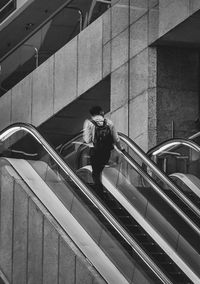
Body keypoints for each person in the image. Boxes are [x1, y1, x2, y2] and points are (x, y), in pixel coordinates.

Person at [83, 105, 124, 198]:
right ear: (101, 112)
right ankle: (104, 190)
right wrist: (121, 149)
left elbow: (87, 140)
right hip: (106, 152)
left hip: (95, 151)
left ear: (92, 114)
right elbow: (116, 139)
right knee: (100, 170)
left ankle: (99, 193)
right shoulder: (109, 122)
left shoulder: (89, 123)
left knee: (96, 172)